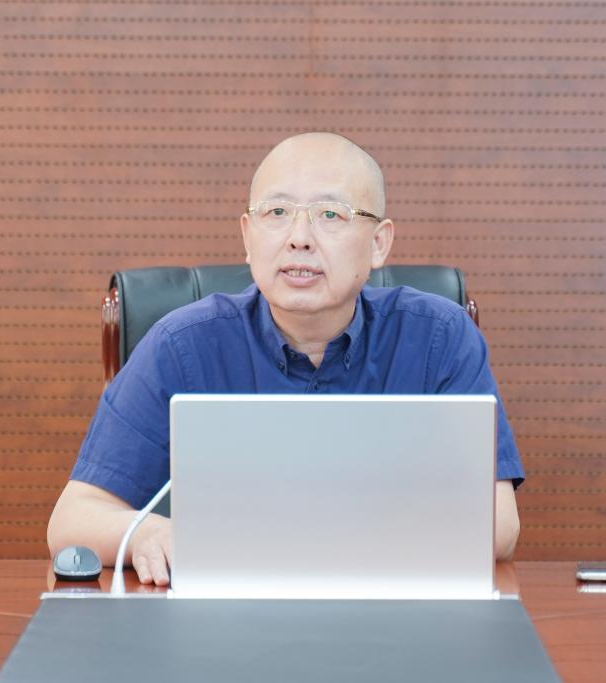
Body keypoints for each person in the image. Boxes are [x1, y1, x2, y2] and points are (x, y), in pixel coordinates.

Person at [48, 132, 524, 586]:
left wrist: (318, 545)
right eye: (276, 212)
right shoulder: (182, 346)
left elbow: (498, 524)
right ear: (248, 236)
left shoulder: (438, 338)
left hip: (397, 616)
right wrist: (146, 534)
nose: (299, 238)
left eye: (330, 214)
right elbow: (72, 522)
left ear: (379, 243)